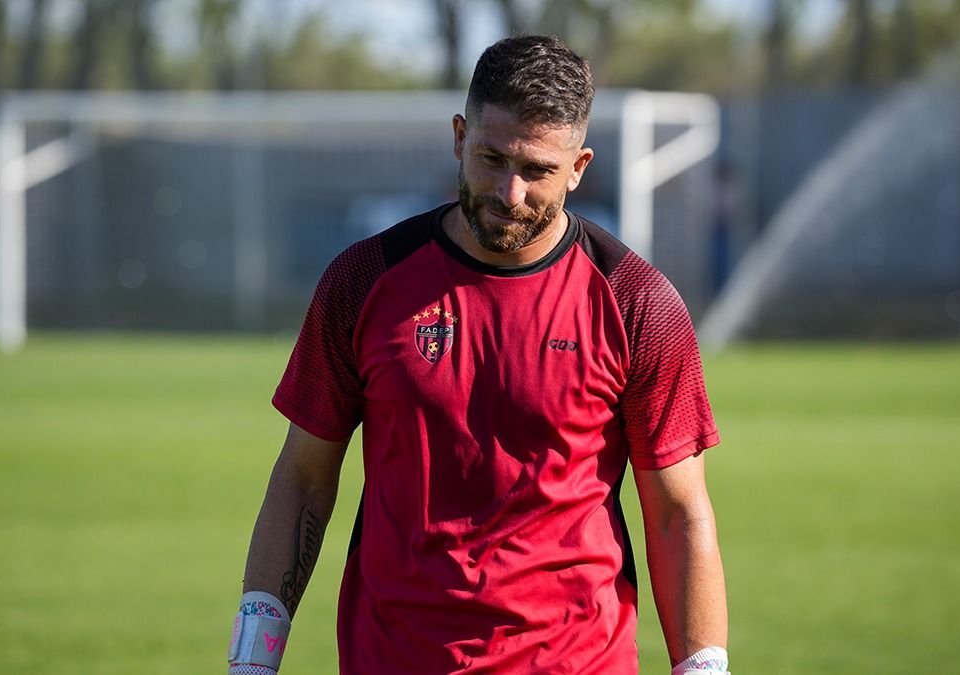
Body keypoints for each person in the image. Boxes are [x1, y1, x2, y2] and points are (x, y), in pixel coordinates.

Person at [228, 35, 729, 675]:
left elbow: (678, 514)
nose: (509, 192)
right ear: (460, 137)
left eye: (537, 170)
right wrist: (252, 662)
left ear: (579, 167)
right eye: (492, 158)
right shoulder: (363, 281)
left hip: (575, 662)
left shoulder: (637, 302)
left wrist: (704, 669)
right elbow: (303, 478)